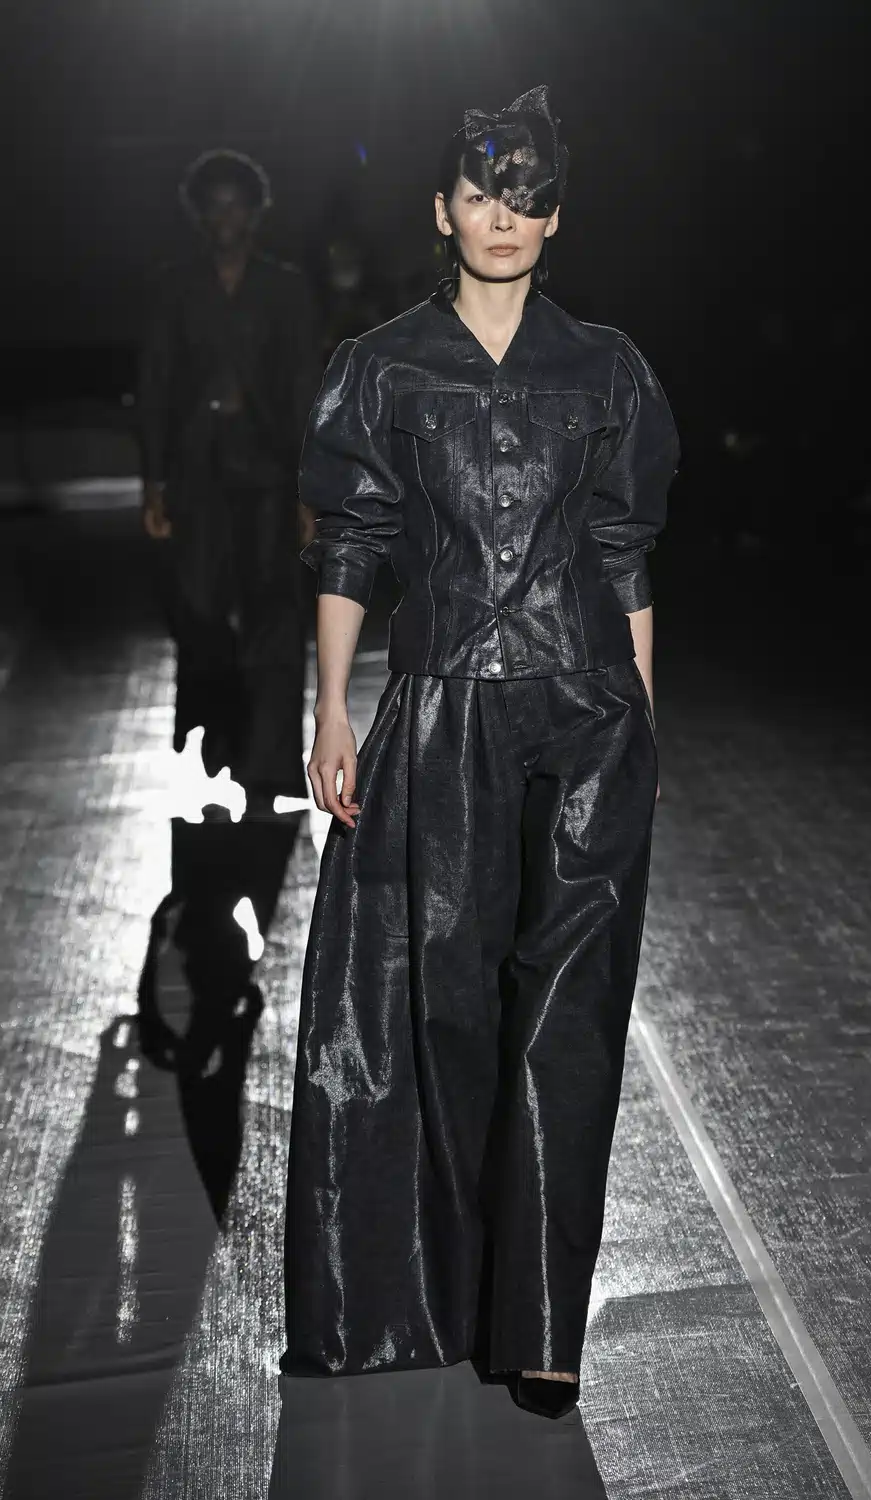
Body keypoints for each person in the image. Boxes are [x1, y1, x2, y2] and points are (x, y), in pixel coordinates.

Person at [281, 87, 679, 1419]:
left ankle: (546, 1329)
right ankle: (439, 1295)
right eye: (480, 194)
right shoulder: (382, 366)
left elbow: (624, 553)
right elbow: (351, 541)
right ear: (441, 212)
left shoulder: (608, 369)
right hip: (442, 711)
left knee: (571, 1013)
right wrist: (331, 708)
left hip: (585, 715)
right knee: (438, 1010)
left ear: (555, 219)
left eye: (528, 197)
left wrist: (644, 720)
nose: (503, 217)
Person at [138, 149, 323, 812]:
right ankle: (222, 733)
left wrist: (311, 489)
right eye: (213, 206)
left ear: (255, 212)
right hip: (196, 475)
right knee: (200, 611)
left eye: (235, 205)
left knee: (274, 615)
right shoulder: (174, 288)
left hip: (269, 472)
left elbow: (306, 388)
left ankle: (266, 767)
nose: (225, 218)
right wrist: (153, 482)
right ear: (198, 214)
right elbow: (154, 383)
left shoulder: (285, 289)